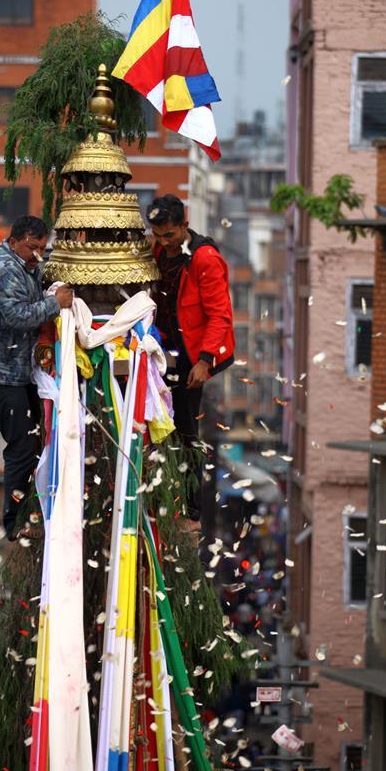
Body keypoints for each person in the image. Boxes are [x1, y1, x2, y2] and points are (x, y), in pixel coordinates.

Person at [0, 215, 73, 540]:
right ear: (13, 241)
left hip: (17, 374)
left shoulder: (26, 265)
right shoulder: (4, 269)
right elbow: (16, 316)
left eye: (42, 248)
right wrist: (55, 304)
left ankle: (33, 509)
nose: (38, 254)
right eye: (32, 248)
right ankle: (14, 523)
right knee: (23, 446)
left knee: (38, 438)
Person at [147, 194, 235, 528]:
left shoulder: (204, 258)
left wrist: (205, 361)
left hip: (191, 357)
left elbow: (220, 314)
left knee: (186, 431)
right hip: (161, 351)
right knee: (157, 426)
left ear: (184, 225)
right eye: (158, 235)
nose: (163, 242)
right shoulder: (159, 251)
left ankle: (191, 509)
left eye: (169, 235)